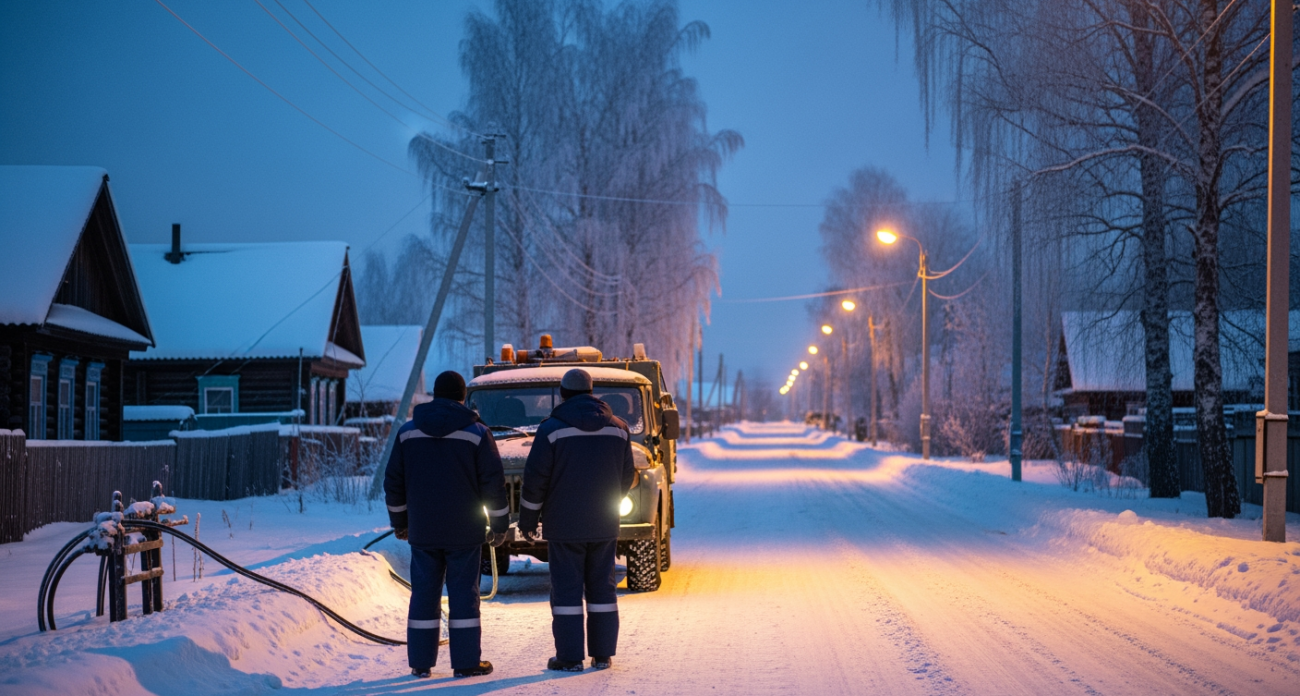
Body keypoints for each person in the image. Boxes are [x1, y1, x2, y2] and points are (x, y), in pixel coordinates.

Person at [384, 370, 510, 679]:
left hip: (423, 531)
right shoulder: (478, 433)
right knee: (464, 595)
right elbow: (493, 484)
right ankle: (466, 663)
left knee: (424, 594)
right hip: (463, 531)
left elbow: (393, 484)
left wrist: (401, 522)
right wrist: (499, 525)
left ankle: (421, 663)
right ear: (463, 397)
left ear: (434, 396)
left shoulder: (407, 433)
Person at [519, 368, 636, 672]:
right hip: (604, 524)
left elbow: (535, 481)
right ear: (592, 392)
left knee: (567, 592)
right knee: (603, 589)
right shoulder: (619, 429)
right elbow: (627, 477)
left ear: (564, 394)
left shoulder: (550, 430)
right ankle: (602, 655)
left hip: (564, 526)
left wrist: (529, 520)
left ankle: (570, 658)